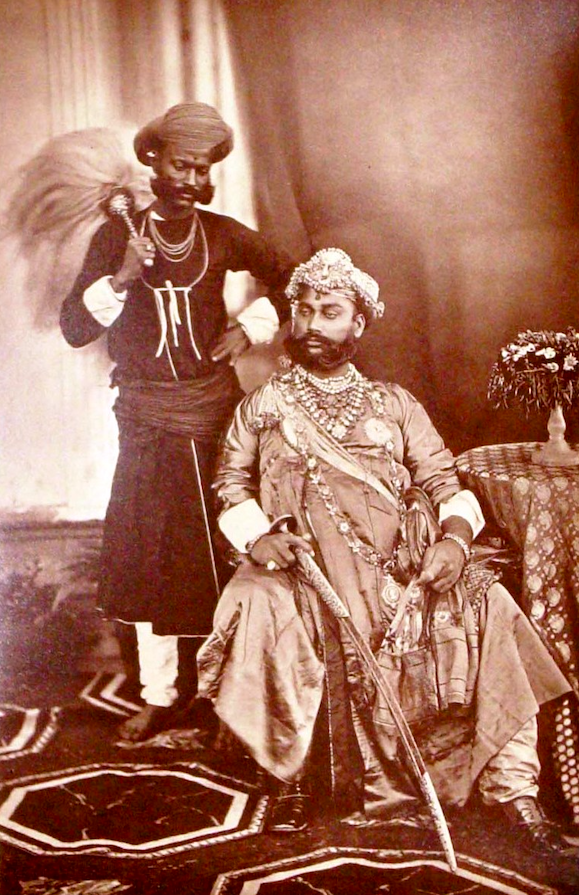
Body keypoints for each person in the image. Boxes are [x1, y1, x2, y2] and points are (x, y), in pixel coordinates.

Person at [197, 247, 573, 855]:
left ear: (358, 324)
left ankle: (514, 791)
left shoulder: (394, 404)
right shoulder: (262, 406)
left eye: (330, 312)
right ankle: (292, 775)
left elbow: (444, 481)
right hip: (302, 567)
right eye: (304, 310)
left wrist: (455, 541)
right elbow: (230, 486)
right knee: (258, 604)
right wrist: (260, 538)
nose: (312, 325)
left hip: (396, 565)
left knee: (493, 604)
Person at [60, 102, 294, 743]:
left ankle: (226, 695)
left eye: (202, 169)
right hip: (146, 421)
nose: (192, 180)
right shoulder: (116, 237)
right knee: (150, 557)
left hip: (215, 415)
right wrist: (122, 276)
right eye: (181, 166)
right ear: (153, 162)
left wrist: (250, 329)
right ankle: (160, 695)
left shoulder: (222, 234)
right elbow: (75, 328)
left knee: (223, 548)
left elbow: (294, 277)